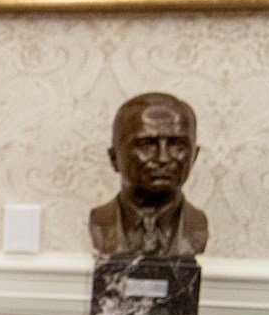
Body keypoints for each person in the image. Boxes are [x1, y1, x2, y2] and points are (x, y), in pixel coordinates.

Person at [89, 91, 208, 257]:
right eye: (146, 145)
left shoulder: (196, 225)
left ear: (194, 156)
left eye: (177, 145)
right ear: (114, 158)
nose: (163, 158)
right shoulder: (101, 222)